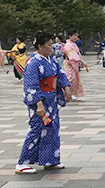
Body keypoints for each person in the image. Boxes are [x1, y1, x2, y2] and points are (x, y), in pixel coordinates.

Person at [15, 31, 72, 174]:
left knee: (52, 129)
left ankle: (50, 160)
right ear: (40, 46)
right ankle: (23, 163)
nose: (51, 48)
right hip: (40, 101)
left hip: (51, 100)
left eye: (52, 45)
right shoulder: (33, 63)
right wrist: (38, 104)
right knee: (37, 129)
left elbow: (60, 74)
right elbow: (31, 85)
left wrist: (66, 88)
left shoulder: (50, 60)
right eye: (48, 45)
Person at [63, 30, 87, 100]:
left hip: (73, 63)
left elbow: (77, 54)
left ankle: (72, 93)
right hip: (69, 63)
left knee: (74, 79)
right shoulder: (68, 45)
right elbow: (72, 55)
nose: (76, 37)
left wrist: (81, 61)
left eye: (76, 35)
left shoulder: (73, 44)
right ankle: (67, 93)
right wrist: (81, 61)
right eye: (74, 35)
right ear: (70, 36)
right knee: (70, 78)